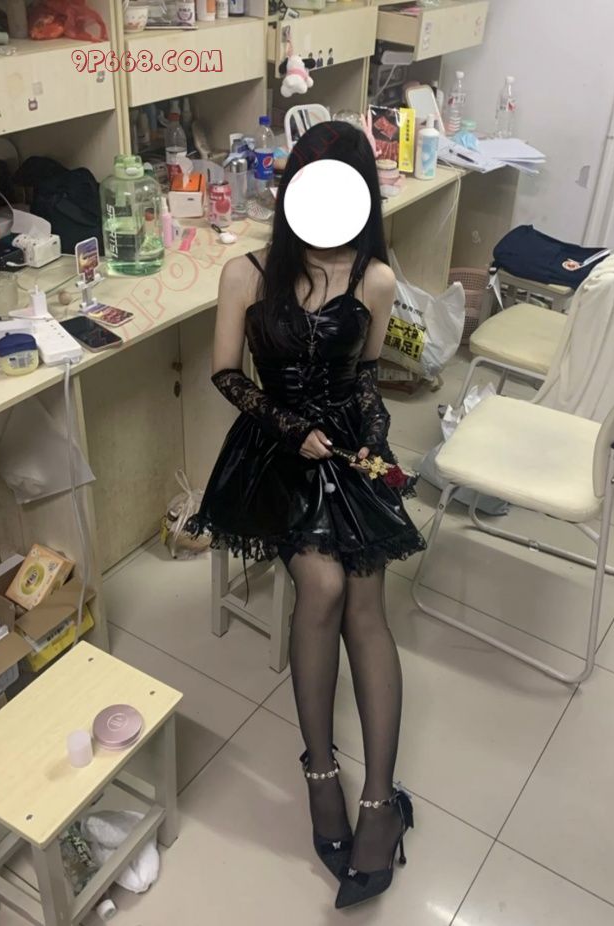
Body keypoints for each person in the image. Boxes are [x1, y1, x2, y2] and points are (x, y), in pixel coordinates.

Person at [194, 122, 424, 908]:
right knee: (322, 587)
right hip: (274, 450)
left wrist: (376, 451)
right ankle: (321, 774)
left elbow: (365, 380)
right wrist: (292, 427)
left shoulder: (376, 277)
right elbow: (226, 374)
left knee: (365, 602)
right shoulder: (246, 271)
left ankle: (379, 802)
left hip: (348, 451)